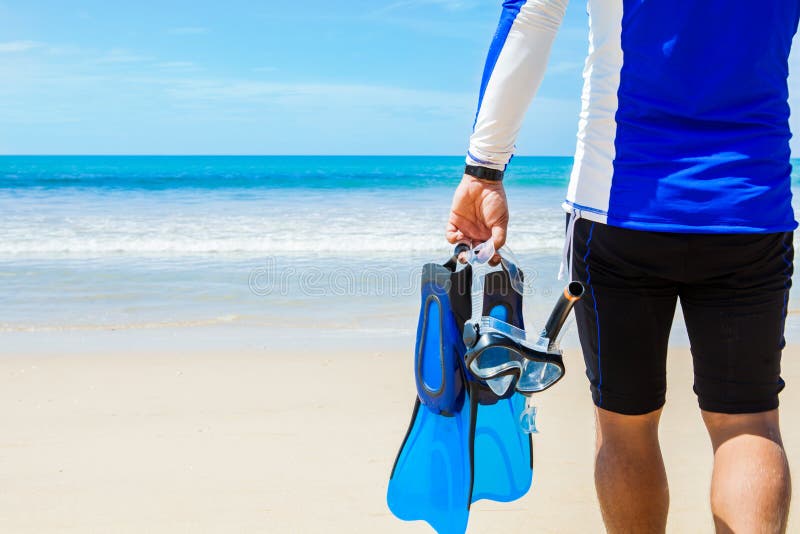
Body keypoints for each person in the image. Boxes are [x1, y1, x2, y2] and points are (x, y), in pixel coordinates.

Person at [446, 1, 798, 532]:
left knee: (625, 427)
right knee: (747, 425)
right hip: (749, 207)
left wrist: (483, 168)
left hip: (617, 209)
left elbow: (531, 16)